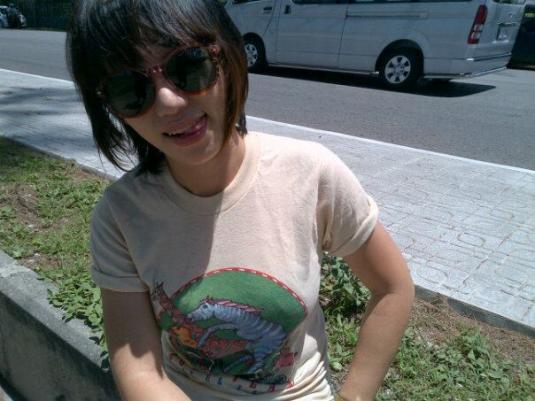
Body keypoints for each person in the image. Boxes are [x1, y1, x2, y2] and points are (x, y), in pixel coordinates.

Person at [66, 1, 414, 400]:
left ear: (228, 57)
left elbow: (392, 287)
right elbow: (139, 368)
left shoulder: (311, 173)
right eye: (130, 89)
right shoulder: (121, 215)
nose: (169, 103)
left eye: (188, 65)